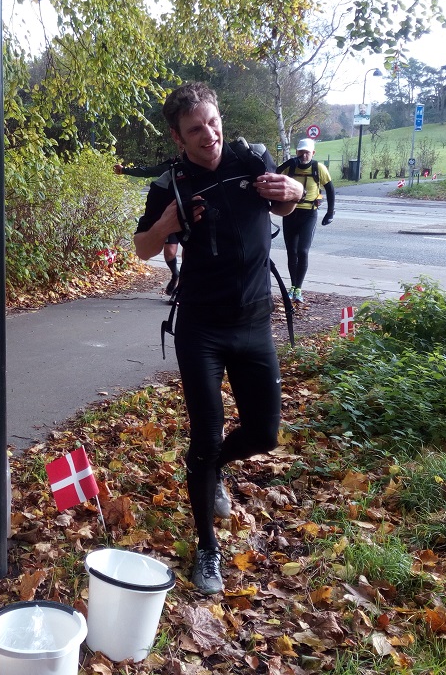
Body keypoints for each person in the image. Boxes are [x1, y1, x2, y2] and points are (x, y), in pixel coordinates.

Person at [132, 82, 304, 595]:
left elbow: (283, 206)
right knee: (205, 436)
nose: (208, 135)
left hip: (253, 321)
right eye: (194, 130)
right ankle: (207, 546)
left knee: (264, 434)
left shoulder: (252, 159)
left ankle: (212, 469)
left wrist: (294, 197)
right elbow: (142, 247)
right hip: (201, 328)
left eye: (212, 122)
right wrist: (165, 224)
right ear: (177, 137)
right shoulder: (171, 183)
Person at [278, 138, 335, 303]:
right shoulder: (291, 166)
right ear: (297, 152)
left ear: (313, 153)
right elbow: (273, 173)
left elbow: (330, 190)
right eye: (301, 151)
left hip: (309, 214)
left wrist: (330, 213)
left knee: (302, 251)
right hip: (289, 212)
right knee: (291, 252)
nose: (303, 155)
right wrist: (288, 162)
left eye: (307, 152)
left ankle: (298, 289)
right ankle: (293, 287)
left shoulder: (319, 168)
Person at [113, 160, 182, 296]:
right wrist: (125, 170)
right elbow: (148, 171)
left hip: (196, 213)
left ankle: (182, 288)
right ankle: (175, 275)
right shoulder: (172, 166)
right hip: (172, 214)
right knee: (170, 253)